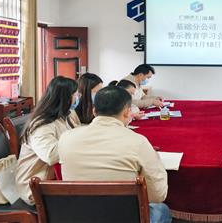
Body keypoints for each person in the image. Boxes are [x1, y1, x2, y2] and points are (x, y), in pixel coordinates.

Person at [58, 86, 171, 223]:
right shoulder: (138, 141)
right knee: (161, 209)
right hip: (123, 216)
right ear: (127, 112)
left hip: (78, 215)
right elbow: (157, 195)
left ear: (94, 111)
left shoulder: (66, 138)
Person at [16, 76, 78, 205]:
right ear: (66, 98)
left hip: (52, 177)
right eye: (75, 95)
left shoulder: (63, 117)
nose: (77, 98)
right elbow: (51, 155)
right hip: (36, 186)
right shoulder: (41, 125)